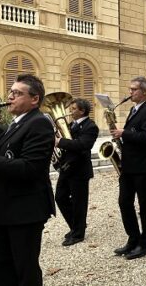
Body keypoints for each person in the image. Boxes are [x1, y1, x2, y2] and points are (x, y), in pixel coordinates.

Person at [0, 74, 55, 286]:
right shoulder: (16, 123)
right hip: (6, 209)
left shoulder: (39, 123)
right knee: (3, 266)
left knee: (25, 269)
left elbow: (30, 168)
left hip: (24, 211)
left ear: (34, 99)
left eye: (17, 93)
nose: (10, 97)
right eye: (10, 92)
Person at [111, 76, 146, 260]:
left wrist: (125, 132)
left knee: (145, 207)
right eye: (130, 89)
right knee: (124, 203)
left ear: (144, 92)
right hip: (128, 166)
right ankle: (133, 239)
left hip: (144, 167)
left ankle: (145, 244)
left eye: (134, 90)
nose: (130, 92)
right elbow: (134, 136)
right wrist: (119, 137)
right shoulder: (133, 109)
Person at [55, 98, 99, 246]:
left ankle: (78, 234)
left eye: (73, 109)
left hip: (79, 170)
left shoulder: (91, 126)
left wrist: (60, 141)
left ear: (82, 111)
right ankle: (76, 226)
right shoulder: (70, 124)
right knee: (60, 197)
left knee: (79, 203)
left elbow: (82, 145)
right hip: (66, 168)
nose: (70, 111)